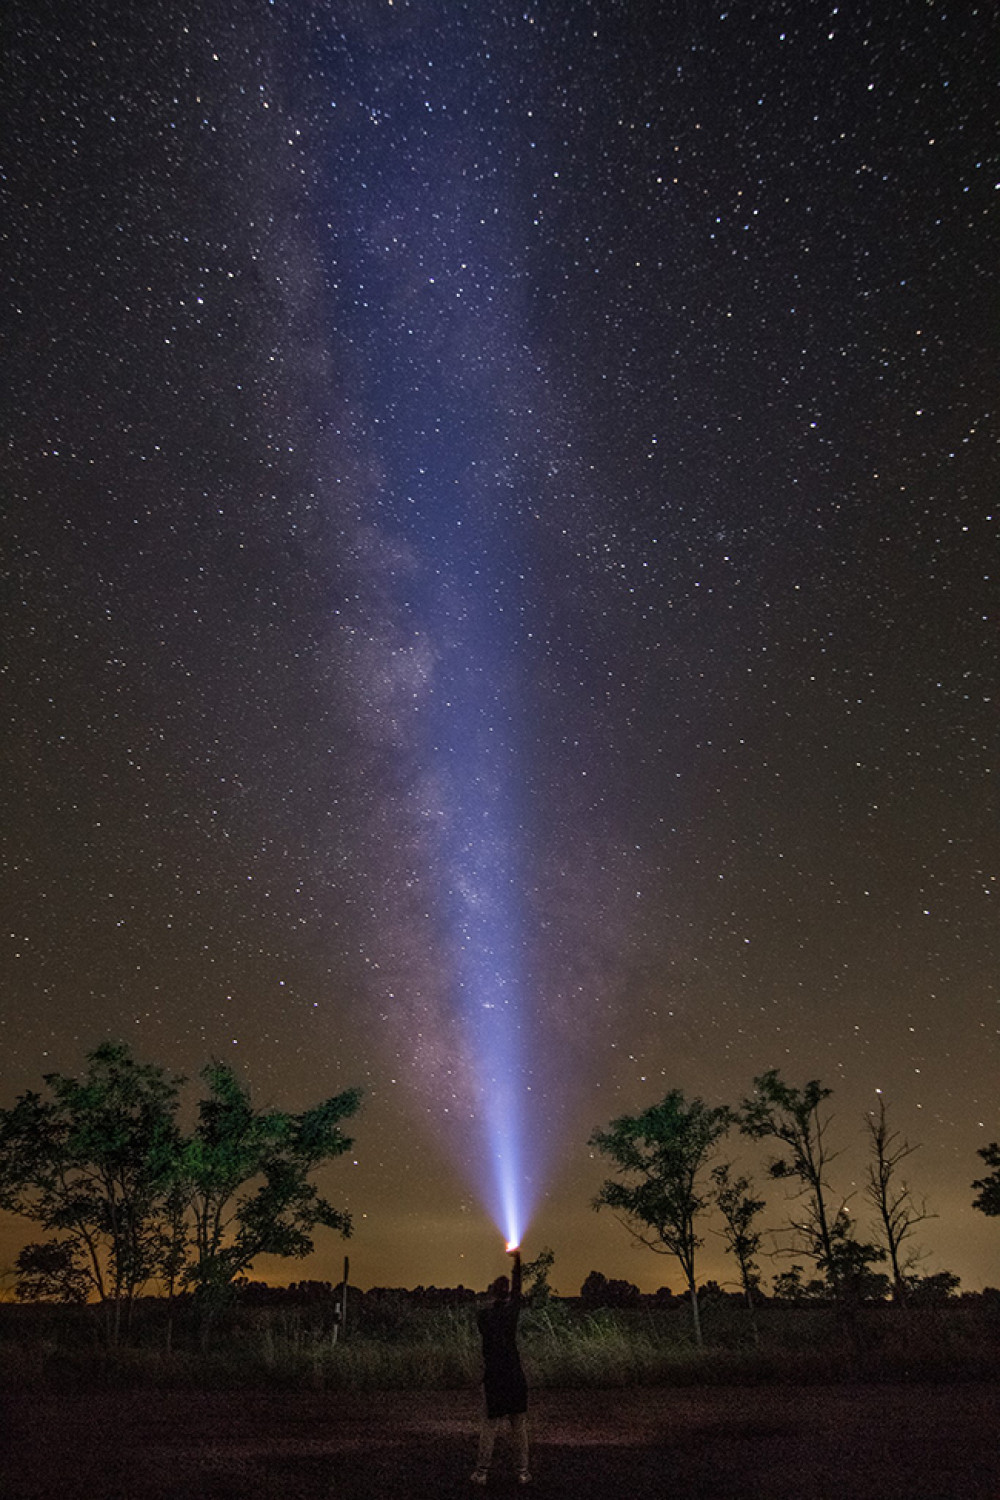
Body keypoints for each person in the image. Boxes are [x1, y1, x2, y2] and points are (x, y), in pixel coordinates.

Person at [471, 1244, 530, 1486]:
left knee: (489, 1425)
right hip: (514, 1376)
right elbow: (517, 1290)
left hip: (494, 1377)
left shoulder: (484, 1317)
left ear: (492, 1292)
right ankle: (523, 1472)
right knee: (519, 1425)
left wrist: (493, 1297)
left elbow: (496, 1305)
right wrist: (517, 1261)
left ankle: (482, 1472)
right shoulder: (511, 1313)